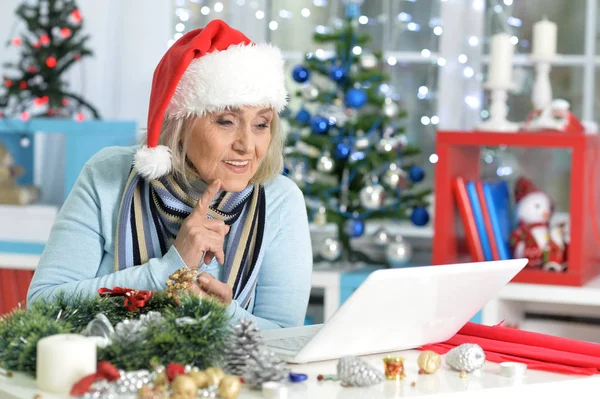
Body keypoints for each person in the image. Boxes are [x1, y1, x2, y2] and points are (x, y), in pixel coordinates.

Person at [27, 20, 313, 330]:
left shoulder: (281, 200)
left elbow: (287, 337)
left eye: (261, 124)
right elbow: (43, 305)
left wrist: (220, 315)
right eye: (226, 121)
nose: (246, 145)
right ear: (180, 125)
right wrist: (168, 269)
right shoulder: (107, 174)